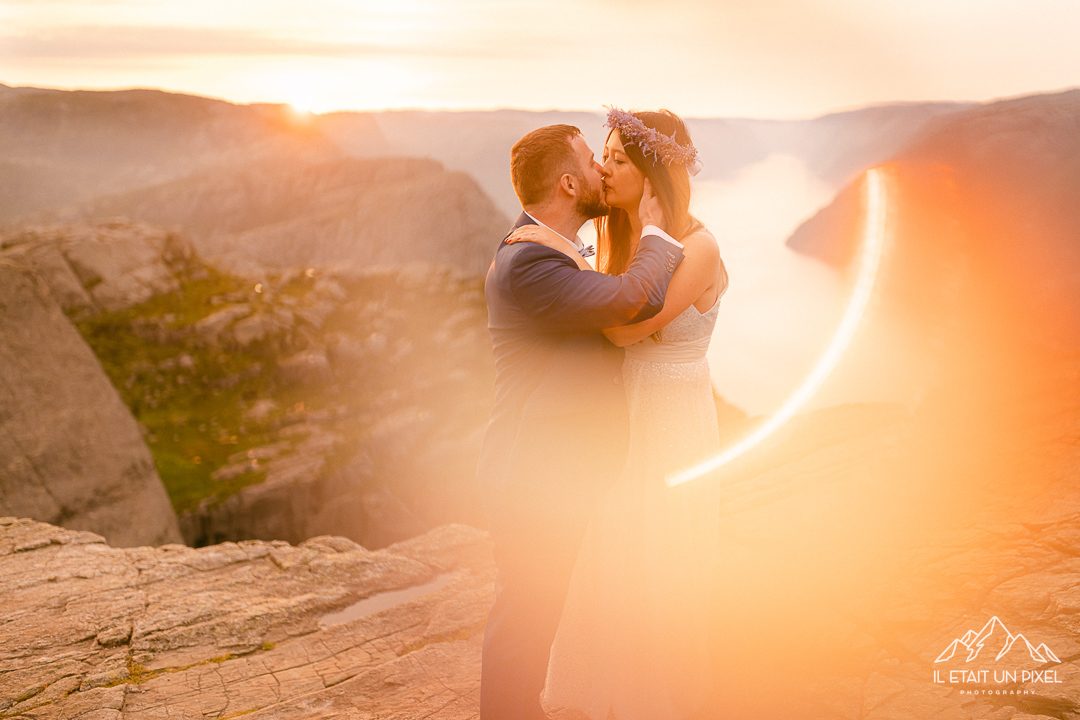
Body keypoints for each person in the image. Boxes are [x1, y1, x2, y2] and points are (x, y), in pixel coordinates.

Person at [505, 108, 729, 720]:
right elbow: (615, 312)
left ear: (654, 173)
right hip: (618, 420)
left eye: (620, 160)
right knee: (606, 559)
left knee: (662, 558)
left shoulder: (699, 246)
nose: (604, 169)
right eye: (602, 156)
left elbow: (627, 335)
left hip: (673, 417)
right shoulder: (613, 239)